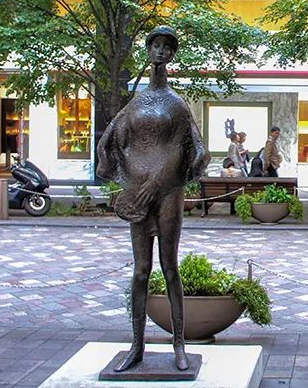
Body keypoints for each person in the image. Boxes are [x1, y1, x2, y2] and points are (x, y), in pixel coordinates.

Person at [96, 26, 209, 373]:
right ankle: (137, 345)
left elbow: (188, 147)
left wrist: (157, 182)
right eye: (156, 46)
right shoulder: (136, 103)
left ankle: (179, 344)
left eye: (166, 48)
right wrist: (134, 183)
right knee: (141, 270)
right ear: (148, 51)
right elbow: (113, 142)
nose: (160, 52)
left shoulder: (176, 104)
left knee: (170, 267)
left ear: (172, 55)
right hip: (138, 195)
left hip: (167, 193)